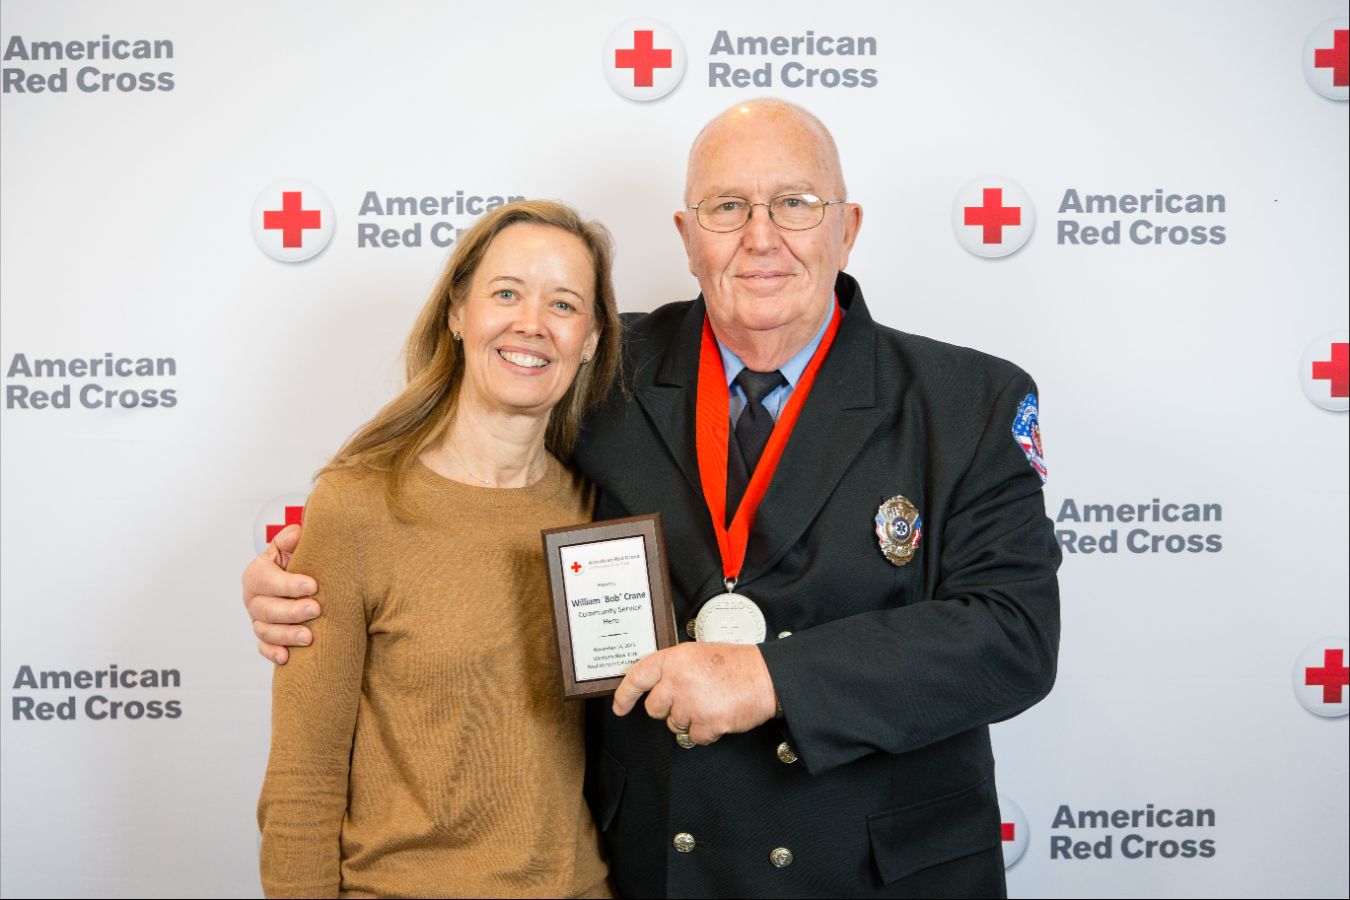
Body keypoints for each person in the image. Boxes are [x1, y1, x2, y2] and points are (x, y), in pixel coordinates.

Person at [246, 99, 1061, 898]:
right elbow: (459, 490)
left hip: (879, 870)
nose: (761, 236)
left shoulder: (968, 402)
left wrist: (770, 678)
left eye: (796, 204)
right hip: (658, 868)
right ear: (686, 237)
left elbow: (1015, 637)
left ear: (848, 226)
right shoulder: (600, 370)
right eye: (727, 207)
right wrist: (306, 572)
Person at [255, 200, 621, 899]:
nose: (531, 324)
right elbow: (304, 782)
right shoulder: (357, 506)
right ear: (458, 312)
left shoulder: (602, 512)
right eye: (506, 293)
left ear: (593, 339)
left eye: (564, 304)